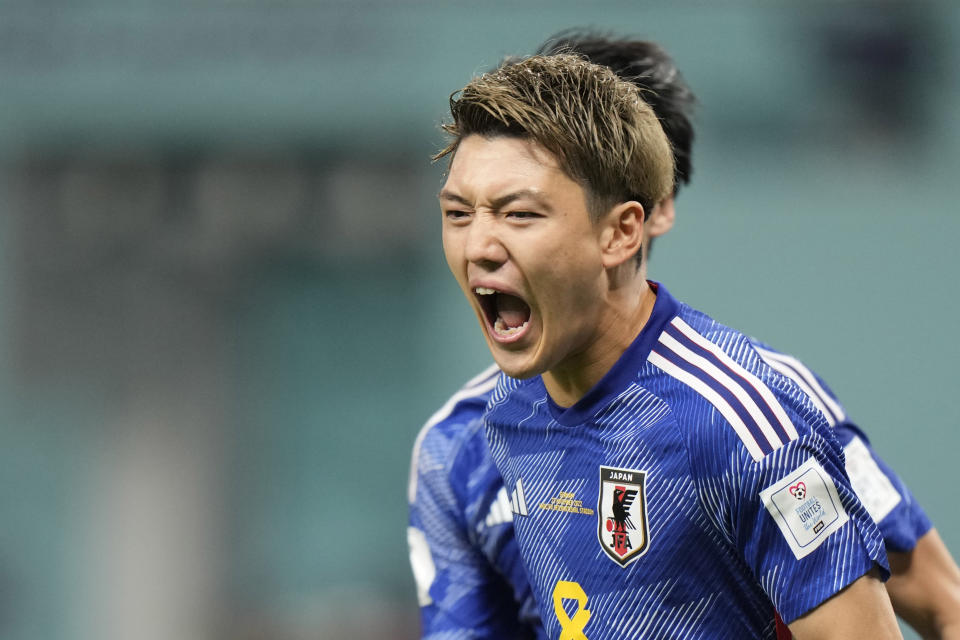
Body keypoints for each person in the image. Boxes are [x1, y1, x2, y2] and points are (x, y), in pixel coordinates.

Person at [408, 33, 960, 639]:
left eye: (520, 212)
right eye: (459, 214)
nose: (481, 245)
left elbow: (940, 605)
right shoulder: (477, 433)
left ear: (634, 222)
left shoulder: (748, 420)